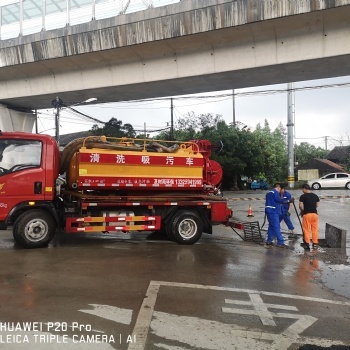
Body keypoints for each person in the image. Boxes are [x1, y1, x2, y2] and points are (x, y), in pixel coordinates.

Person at [265, 183, 293, 248]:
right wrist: (288, 201)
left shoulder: (268, 193)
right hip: (273, 212)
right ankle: (280, 242)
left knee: (271, 226)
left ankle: (269, 241)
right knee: (277, 227)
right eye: (280, 189)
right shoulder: (275, 192)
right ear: (278, 188)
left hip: (269, 212)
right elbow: (279, 200)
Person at [299, 183, 320, 250]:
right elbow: (317, 205)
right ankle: (315, 244)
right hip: (315, 215)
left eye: (302, 189)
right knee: (314, 229)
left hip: (307, 214)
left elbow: (300, 205)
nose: (302, 191)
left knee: (307, 229)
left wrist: (302, 211)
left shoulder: (303, 196)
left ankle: (307, 244)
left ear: (304, 189)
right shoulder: (315, 196)